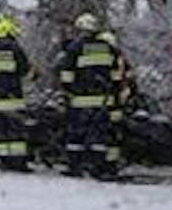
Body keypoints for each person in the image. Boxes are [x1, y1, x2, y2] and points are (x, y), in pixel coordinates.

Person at [56, 12, 131, 179]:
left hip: (80, 101)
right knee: (99, 136)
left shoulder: (75, 48)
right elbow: (117, 77)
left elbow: (67, 75)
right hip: (103, 101)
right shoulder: (108, 48)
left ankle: (75, 166)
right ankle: (98, 166)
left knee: (76, 136)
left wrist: (69, 92)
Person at [0, 15, 33, 171]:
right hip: (13, 97)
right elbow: (24, 69)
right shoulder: (14, 47)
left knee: (2, 130)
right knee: (16, 131)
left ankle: (4, 160)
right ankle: (18, 162)